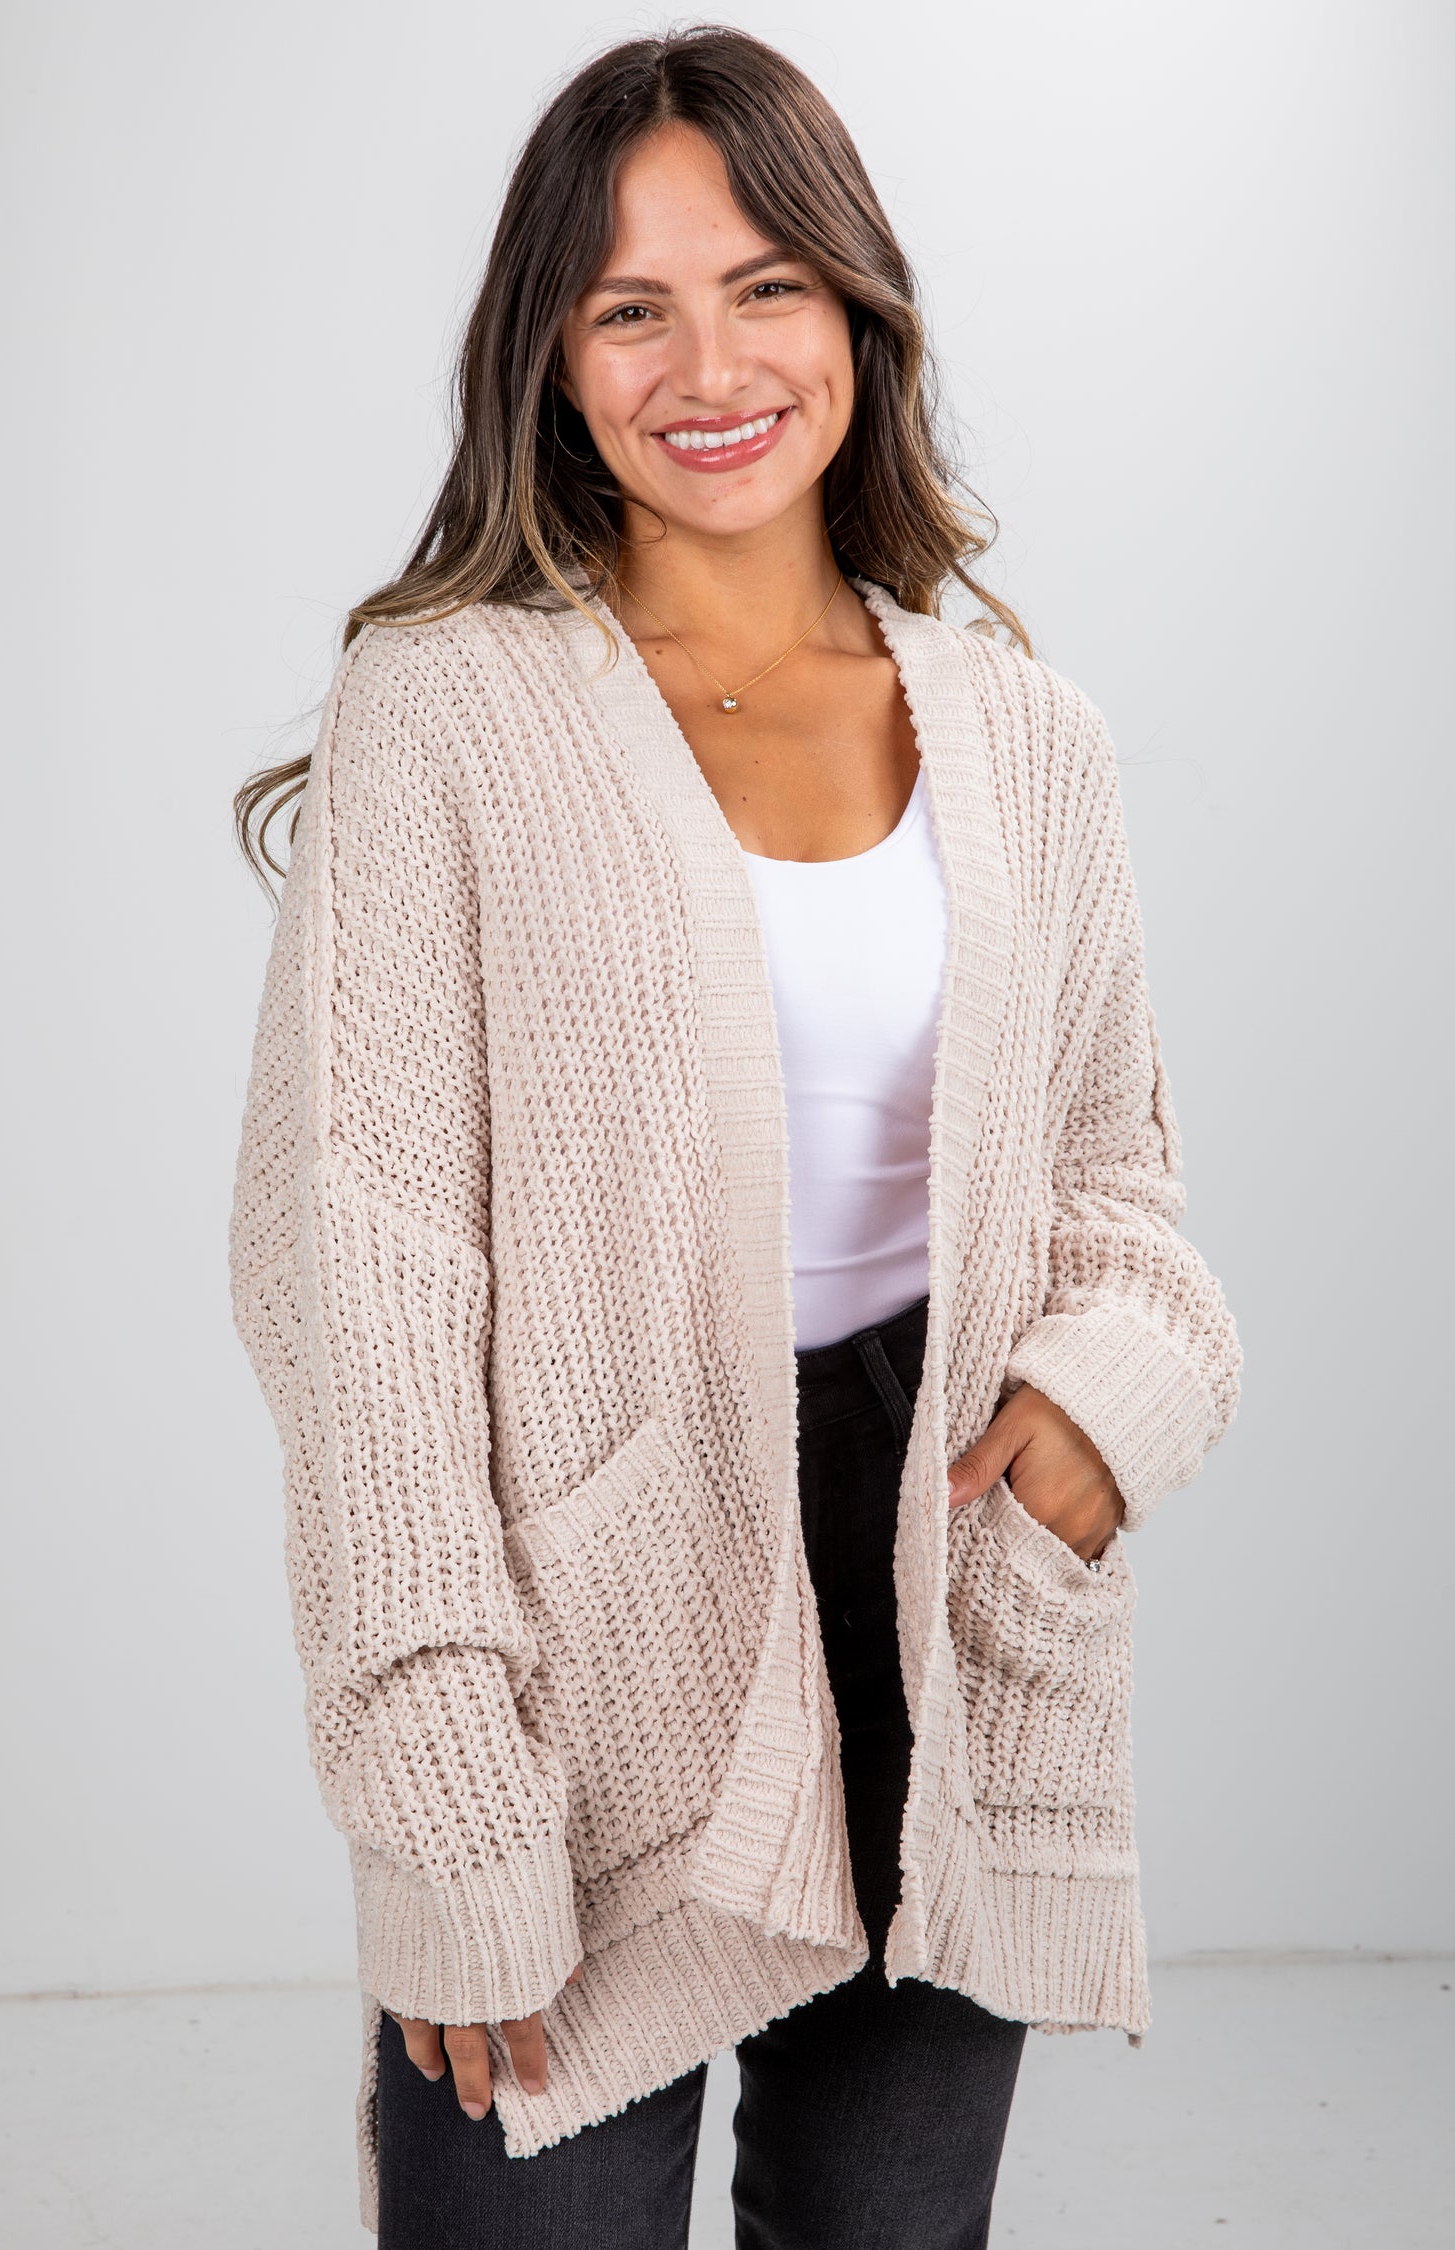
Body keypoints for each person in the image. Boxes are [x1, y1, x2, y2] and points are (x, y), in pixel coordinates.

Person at [229, 26, 1242, 2249]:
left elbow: (1119, 1191)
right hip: (583, 1611)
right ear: (550, 354)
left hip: (949, 1567)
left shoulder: (1026, 737)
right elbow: (359, 1274)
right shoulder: (449, 709)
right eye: (632, 307)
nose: (710, 366)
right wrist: (438, 1786)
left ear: (857, 311)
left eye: (767, 285)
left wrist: (1106, 1406)